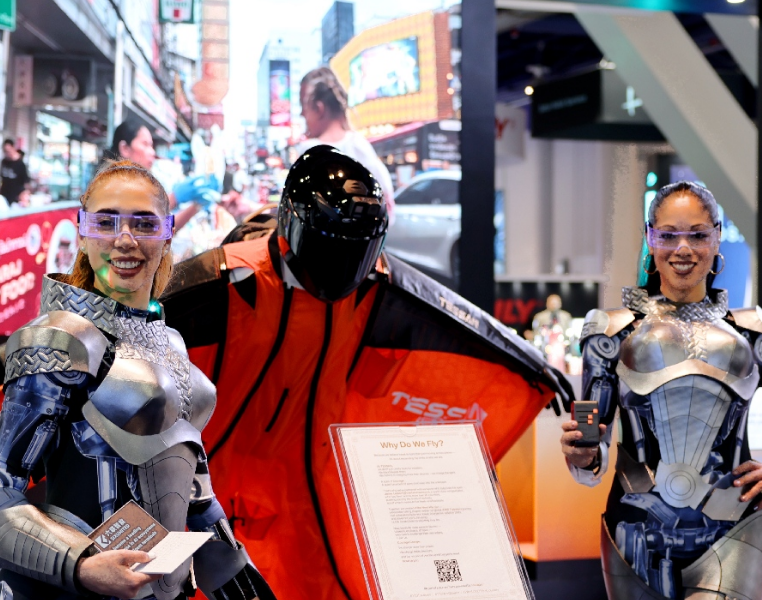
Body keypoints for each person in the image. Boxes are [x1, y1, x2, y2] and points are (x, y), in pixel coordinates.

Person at [160, 146, 572, 600]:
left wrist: (528, 362)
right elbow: (148, 310)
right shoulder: (229, 279)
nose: (343, 268)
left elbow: (450, 314)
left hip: (312, 488)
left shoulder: (374, 285)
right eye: (332, 250)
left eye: (356, 253)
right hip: (212, 482)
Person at [0, 159, 275, 600]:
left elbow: (191, 482)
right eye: (106, 222)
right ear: (83, 231)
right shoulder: (56, 339)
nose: (125, 239)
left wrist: (229, 566)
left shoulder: (169, 342)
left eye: (144, 224)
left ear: (167, 233)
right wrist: (80, 564)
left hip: (166, 585)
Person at [560, 181, 762, 600]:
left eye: (698, 234)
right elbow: (591, 440)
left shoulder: (751, 334)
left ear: (717, 237)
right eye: (669, 235)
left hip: (734, 534)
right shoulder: (610, 333)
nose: (683, 249)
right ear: (650, 238)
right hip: (634, 537)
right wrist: (582, 455)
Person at [295, 67, 395, 220]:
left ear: (319, 108)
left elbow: (294, 214)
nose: (302, 114)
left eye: (303, 105)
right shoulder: (361, 146)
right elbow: (389, 210)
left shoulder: (310, 151)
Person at [0, 139, 30, 205]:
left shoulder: (20, 164)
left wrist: (25, 196)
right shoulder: (4, 162)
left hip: (16, 197)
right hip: (4, 195)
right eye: (5, 151)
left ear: (13, 148)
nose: (7, 153)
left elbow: (26, 182)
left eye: (8, 151)